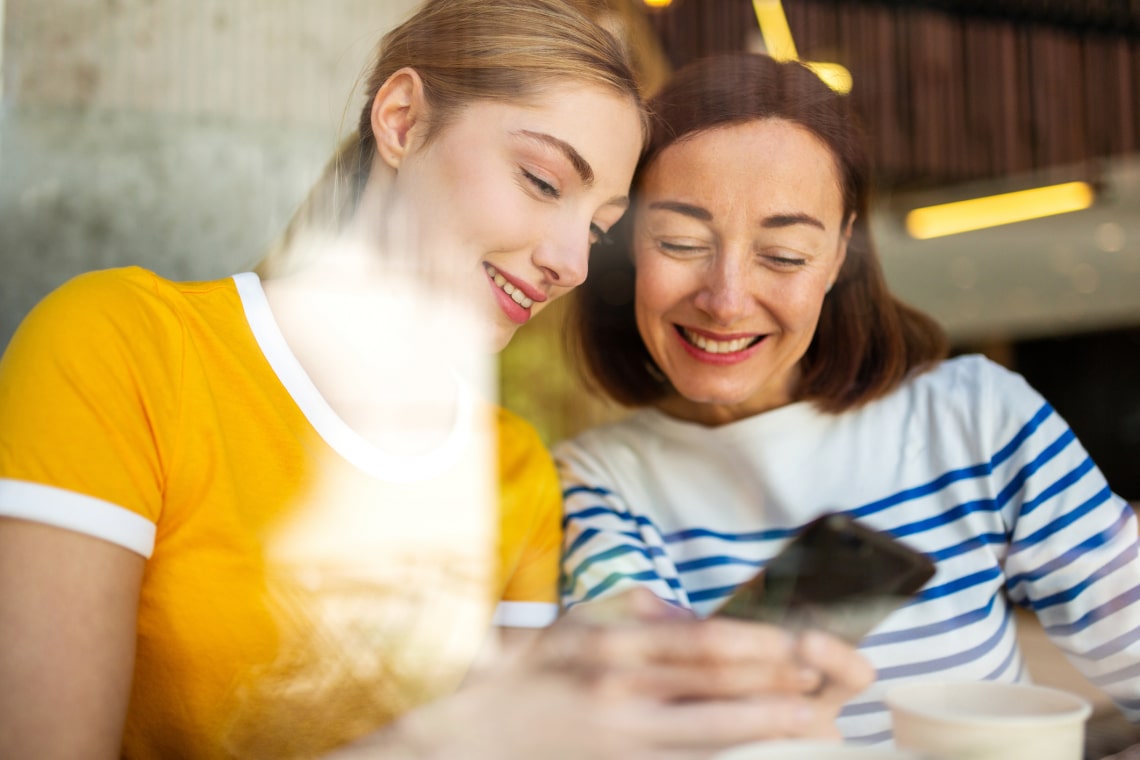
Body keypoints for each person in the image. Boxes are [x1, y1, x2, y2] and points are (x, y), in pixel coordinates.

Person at [0, 4, 873, 757]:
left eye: (601, 227)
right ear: (404, 118)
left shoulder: (517, 473)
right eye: (540, 181)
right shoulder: (126, 348)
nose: (571, 262)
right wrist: (460, 739)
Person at [557, 51, 1140, 745]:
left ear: (839, 255)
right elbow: (651, 729)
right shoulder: (594, 483)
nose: (726, 300)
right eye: (680, 242)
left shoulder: (977, 419)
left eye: (784, 256)